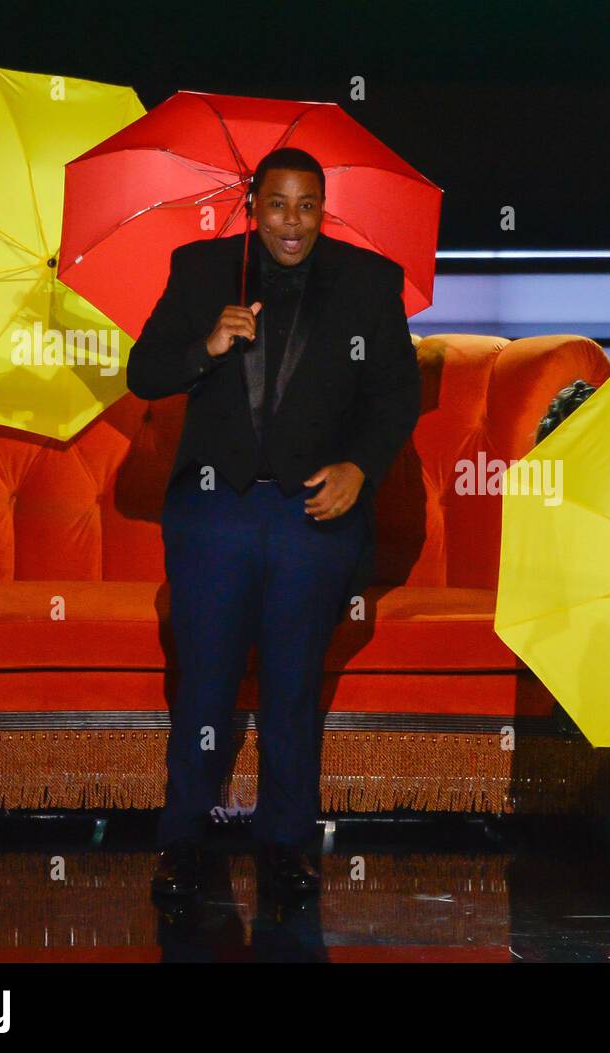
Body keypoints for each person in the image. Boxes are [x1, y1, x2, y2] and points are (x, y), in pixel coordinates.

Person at [127, 147, 421, 901]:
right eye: (279, 205)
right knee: (205, 684)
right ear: (254, 206)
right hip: (214, 509)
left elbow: (395, 396)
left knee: (292, 686)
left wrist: (360, 467)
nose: (293, 222)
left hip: (309, 512)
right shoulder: (200, 269)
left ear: (323, 209)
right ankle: (184, 840)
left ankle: (287, 844)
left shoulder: (367, 282)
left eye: (308, 206)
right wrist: (207, 346)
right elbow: (145, 371)